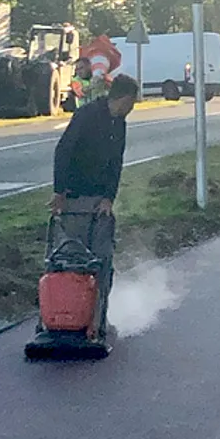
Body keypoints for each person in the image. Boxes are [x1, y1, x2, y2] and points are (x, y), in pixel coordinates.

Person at [49, 74, 139, 339]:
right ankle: (64, 317)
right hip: (75, 198)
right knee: (71, 259)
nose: (132, 108)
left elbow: (116, 163)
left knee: (102, 261)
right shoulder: (87, 116)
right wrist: (60, 191)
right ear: (123, 99)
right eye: (132, 102)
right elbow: (63, 150)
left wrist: (109, 197)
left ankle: (96, 321)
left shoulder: (119, 124)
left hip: (99, 203)